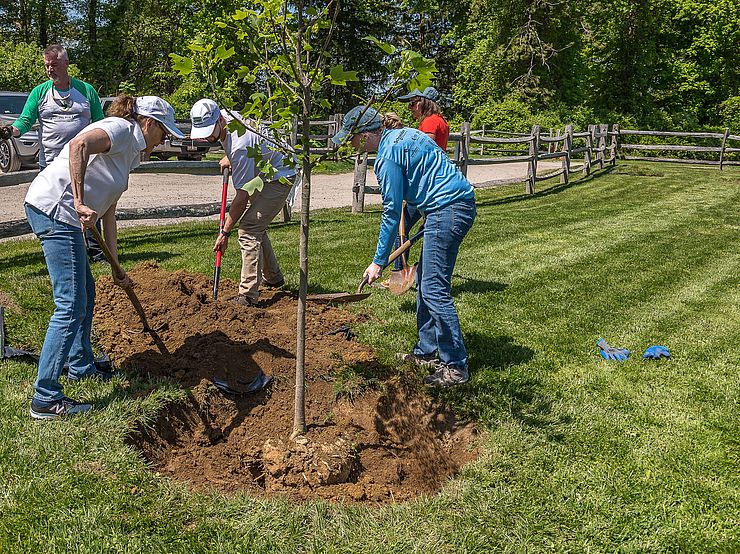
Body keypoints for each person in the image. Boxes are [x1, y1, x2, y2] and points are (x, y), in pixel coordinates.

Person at [24, 95, 184, 419]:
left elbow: (109, 212)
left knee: (87, 293)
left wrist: (115, 263)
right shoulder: (121, 129)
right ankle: (45, 397)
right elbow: (77, 145)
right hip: (58, 211)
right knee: (70, 303)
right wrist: (80, 201)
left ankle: (81, 367)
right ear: (149, 123)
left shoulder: (130, 155)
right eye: (163, 131)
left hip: (67, 217)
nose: (164, 139)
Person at [332, 106, 476, 387]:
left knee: (434, 287)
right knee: (425, 281)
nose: (350, 145)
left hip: (446, 209)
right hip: (452, 205)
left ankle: (456, 366)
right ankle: (426, 351)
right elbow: (420, 180)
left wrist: (378, 261)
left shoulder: (386, 157)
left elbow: (390, 212)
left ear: (364, 135)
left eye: (351, 138)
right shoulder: (406, 134)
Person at [0, 44, 108, 263]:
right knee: (57, 208)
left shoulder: (86, 91)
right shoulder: (40, 92)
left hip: (84, 161)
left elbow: (100, 123)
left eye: (55, 65)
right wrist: (10, 131)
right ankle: (65, 251)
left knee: (89, 205)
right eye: (47, 66)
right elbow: (26, 120)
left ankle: (97, 253)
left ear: (66, 64)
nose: (50, 70)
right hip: (50, 163)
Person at [189, 99, 297, 307]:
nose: (207, 137)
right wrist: (229, 156)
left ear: (220, 120)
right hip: (265, 169)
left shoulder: (240, 145)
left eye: (210, 131)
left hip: (281, 175)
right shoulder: (228, 116)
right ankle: (274, 277)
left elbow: (242, 197)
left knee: (248, 229)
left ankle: (248, 295)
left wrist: (225, 232)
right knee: (256, 225)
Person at [398, 86, 449, 150]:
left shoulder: (430, 121)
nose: (409, 107)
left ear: (423, 102)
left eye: (412, 103)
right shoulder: (439, 119)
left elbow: (425, 148)